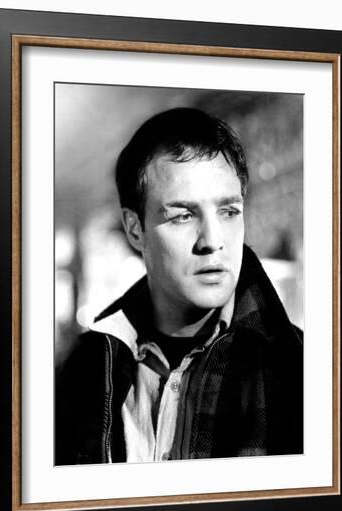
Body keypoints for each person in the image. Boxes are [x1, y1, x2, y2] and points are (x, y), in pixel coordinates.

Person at [55, 107, 303, 465]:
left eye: (229, 211)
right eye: (183, 215)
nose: (212, 241)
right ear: (134, 229)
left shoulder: (300, 373)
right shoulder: (83, 372)